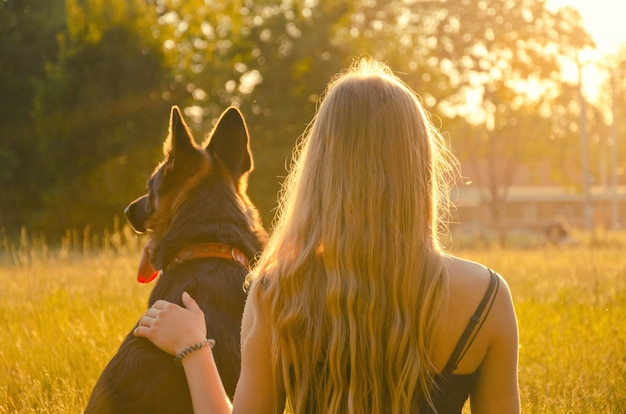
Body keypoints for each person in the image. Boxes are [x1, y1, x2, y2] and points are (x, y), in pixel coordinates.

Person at [134, 58, 520, 413]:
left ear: (320, 169)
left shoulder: (278, 292)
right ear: (421, 167)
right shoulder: (488, 298)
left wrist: (194, 348)